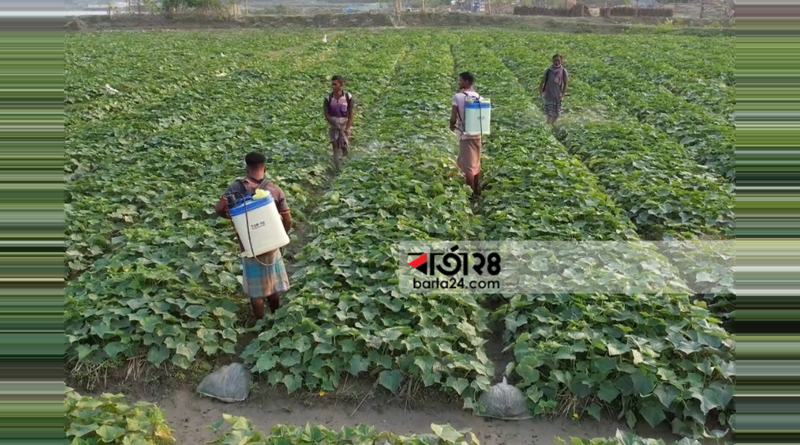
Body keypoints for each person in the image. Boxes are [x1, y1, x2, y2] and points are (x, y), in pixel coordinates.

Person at [214, 152, 293, 320]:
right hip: (272, 243)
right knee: (273, 286)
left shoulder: (235, 188)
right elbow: (287, 217)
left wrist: (233, 217)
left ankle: (259, 324)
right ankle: (274, 317)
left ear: (247, 168)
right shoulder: (274, 189)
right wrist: (282, 234)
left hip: (249, 245)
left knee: (256, 292)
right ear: (264, 168)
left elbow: (219, 208)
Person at [450, 72, 483, 202]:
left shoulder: (458, 97)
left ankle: (472, 194)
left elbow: (453, 117)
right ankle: (477, 189)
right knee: (476, 162)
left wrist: (452, 126)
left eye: (461, 81)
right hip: (478, 133)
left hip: (465, 134)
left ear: (466, 82)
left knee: (468, 166)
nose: (459, 83)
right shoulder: (479, 97)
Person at [324, 75, 354, 173]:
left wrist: (348, 127)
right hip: (333, 125)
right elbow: (326, 114)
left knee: (344, 146)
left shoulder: (348, 97)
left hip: (344, 124)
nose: (333, 86)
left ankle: (345, 165)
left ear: (341, 85)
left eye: (335, 84)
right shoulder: (328, 98)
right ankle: (338, 170)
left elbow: (351, 113)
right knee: (335, 146)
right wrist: (333, 123)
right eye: (332, 84)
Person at [539, 54, 569, 126]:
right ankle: (548, 126)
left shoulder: (563, 71)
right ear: (552, 61)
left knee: (557, 114)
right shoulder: (549, 70)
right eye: (555, 60)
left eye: (558, 60)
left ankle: (551, 124)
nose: (556, 62)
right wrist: (541, 92)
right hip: (549, 95)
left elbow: (566, 84)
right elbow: (542, 82)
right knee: (550, 113)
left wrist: (562, 96)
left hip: (557, 96)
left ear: (561, 61)